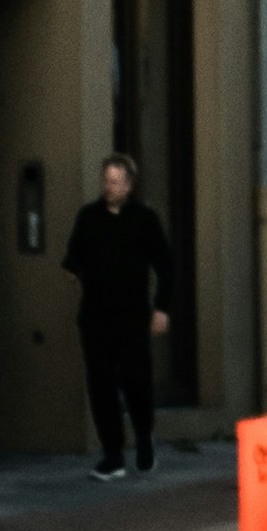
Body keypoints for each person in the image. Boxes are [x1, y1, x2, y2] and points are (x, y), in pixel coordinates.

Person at [62, 150, 180, 476]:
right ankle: (112, 454)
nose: (109, 187)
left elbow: (166, 266)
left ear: (128, 185)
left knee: (136, 382)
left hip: (132, 316)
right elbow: (73, 257)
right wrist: (74, 270)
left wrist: (161, 309)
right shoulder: (89, 217)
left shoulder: (144, 220)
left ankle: (144, 439)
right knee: (100, 385)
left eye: (116, 182)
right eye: (106, 181)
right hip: (96, 316)